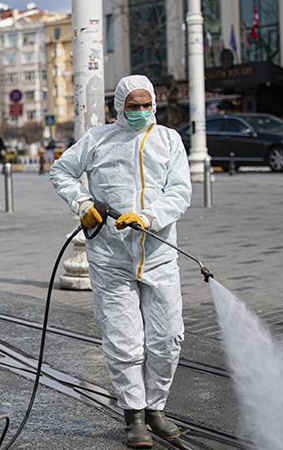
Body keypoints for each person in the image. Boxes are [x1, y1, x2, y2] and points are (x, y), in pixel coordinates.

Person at [49, 75, 191, 448]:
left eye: (147, 105)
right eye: (134, 106)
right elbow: (61, 171)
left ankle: (156, 407)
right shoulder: (98, 140)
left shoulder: (168, 141)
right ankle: (134, 416)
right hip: (111, 257)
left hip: (159, 254)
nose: (141, 112)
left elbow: (179, 191)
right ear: (119, 107)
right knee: (125, 342)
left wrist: (148, 217)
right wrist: (83, 204)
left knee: (168, 338)